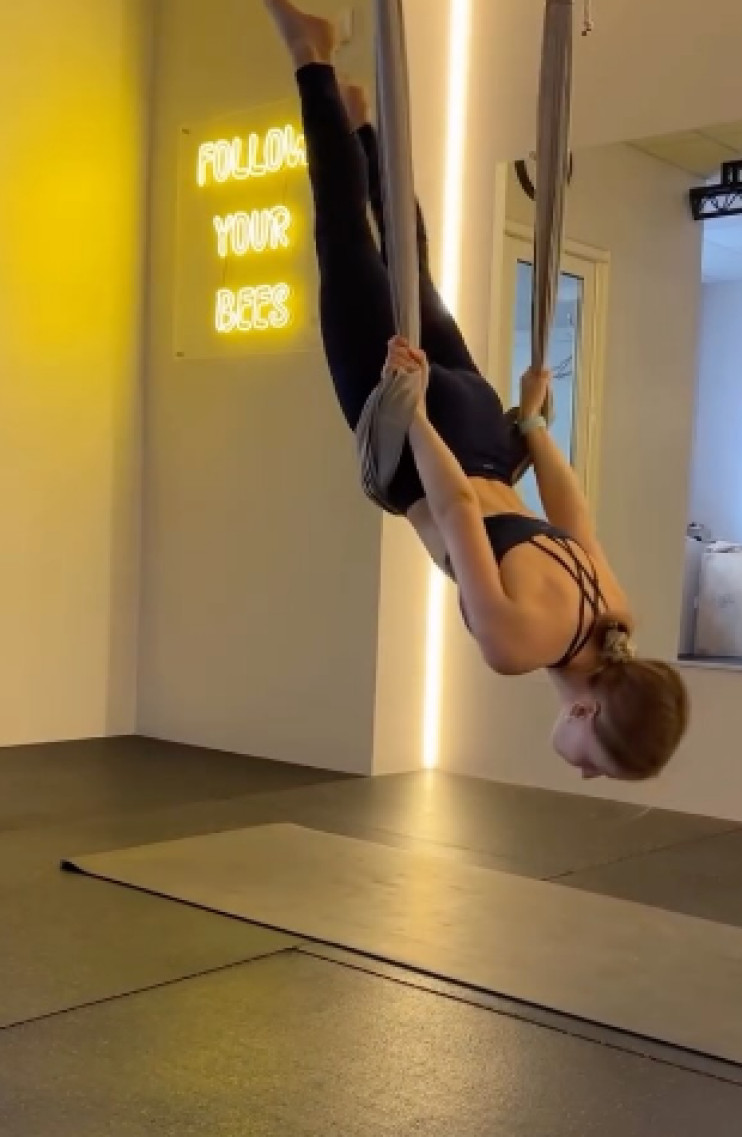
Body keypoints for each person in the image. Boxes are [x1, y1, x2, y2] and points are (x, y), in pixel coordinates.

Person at [262, 0, 689, 781]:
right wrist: (411, 411)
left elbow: (574, 515)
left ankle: (363, 126)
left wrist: (532, 423)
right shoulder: (516, 646)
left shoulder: (616, 613)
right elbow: (457, 510)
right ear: (588, 714)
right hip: (424, 454)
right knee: (344, 241)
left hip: (488, 429)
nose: (584, 772)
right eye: (597, 762)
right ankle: (310, 57)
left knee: (409, 269)